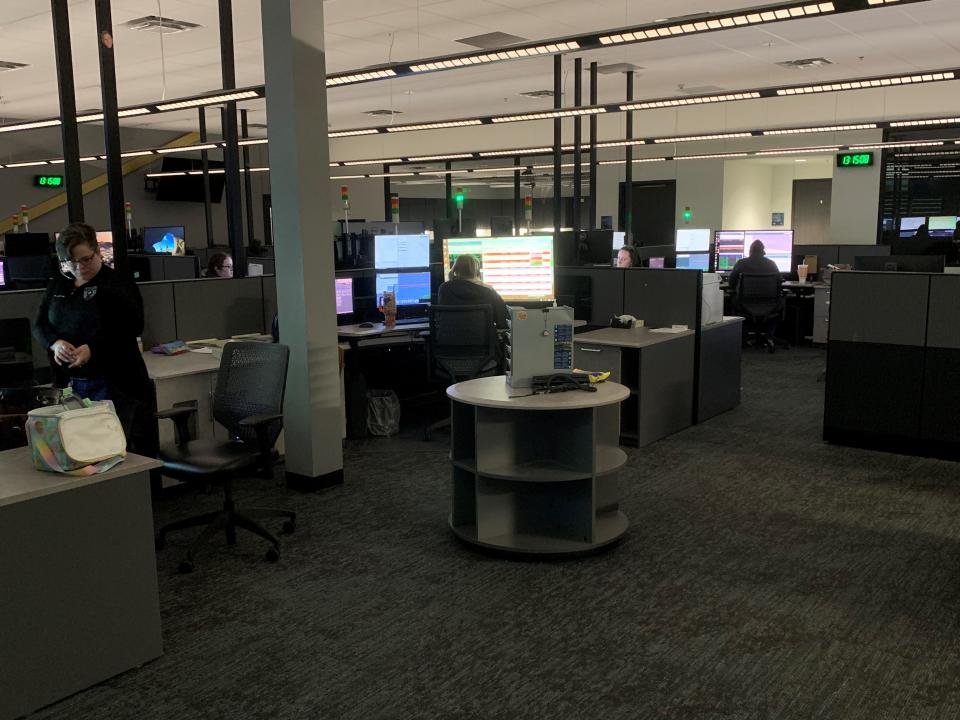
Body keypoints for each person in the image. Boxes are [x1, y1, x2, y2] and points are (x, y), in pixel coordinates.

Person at [33, 222, 157, 456]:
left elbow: (132, 326)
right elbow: (40, 325)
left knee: (116, 450)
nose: (79, 267)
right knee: (85, 452)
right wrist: (55, 343)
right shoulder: (60, 284)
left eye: (86, 259)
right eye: (71, 262)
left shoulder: (117, 283)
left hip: (114, 381)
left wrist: (92, 348)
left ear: (98, 252)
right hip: (73, 383)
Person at [437, 254, 508, 329]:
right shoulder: (488, 291)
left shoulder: (444, 288)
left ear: (455, 269)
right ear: (476, 271)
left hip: (449, 338)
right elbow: (502, 320)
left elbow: (441, 317)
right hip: (483, 339)